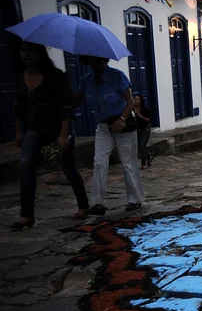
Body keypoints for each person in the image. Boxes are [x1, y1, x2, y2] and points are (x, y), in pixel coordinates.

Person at [10, 42, 89, 230]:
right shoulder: (20, 77)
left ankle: (83, 205)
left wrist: (63, 135)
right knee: (26, 166)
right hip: (34, 129)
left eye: (32, 50)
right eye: (23, 50)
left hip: (57, 128)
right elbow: (19, 107)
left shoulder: (55, 76)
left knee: (67, 167)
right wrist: (19, 131)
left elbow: (65, 107)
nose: (27, 54)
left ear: (40, 53)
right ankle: (27, 215)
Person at [77, 56, 145, 215]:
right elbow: (77, 101)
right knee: (99, 161)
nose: (95, 63)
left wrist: (121, 119)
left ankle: (135, 199)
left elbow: (129, 101)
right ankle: (97, 202)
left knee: (128, 162)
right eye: (92, 60)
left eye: (98, 60)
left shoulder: (117, 76)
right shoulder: (86, 81)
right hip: (103, 126)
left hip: (123, 125)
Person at [133, 93, 152, 170]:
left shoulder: (145, 110)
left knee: (142, 145)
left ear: (141, 101)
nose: (136, 101)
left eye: (137, 99)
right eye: (135, 99)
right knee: (139, 146)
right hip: (137, 129)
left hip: (145, 129)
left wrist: (141, 117)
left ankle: (143, 163)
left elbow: (149, 120)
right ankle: (148, 155)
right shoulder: (132, 109)